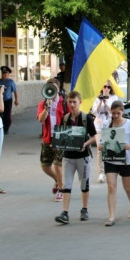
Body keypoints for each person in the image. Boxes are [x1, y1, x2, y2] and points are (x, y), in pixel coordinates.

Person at [54, 91, 98, 225]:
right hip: (68, 157)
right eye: (70, 102)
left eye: (74, 102)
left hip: (82, 157)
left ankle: (84, 209)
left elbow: (94, 136)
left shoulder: (86, 118)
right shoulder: (65, 118)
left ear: (80, 102)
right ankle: (65, 212)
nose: (72, 104)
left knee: (84, 183)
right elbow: (62, 135)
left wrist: (85, 144)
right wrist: (57, 143)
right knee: (66, 184)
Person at [97, 101, 130, 226]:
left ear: (122, 112)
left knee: (127, 187)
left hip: (125, 159)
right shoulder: (107, 124)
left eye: (118, 113)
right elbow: (102, 140)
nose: (115, 116)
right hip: (110, 159)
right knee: (111, 186)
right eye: (113, 113)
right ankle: (111, 216)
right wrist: (101, 145)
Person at [37, 78, 65, 201]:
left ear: (58, 89)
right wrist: (46, 109)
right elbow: (40, 119)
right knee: (45, 166)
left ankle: (61, 190)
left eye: (54, 88)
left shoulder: (64, 103)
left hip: (61, 138)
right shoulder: (43, 104)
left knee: (57, 165)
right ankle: (58, 180)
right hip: (48, 138)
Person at [91, 81, 119, 183]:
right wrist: (100, 101)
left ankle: (110, 171)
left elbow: (114, 112)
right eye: (104, 86)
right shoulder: (97, 97)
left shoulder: (114, 98)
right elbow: (94, 112)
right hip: (99, 125)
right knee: (100, 148)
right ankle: (101, 172)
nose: (106, 88)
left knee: (109, 149)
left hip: (110, 125)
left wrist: (106, 102)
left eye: (108, 87)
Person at [0, 66, 18, 135]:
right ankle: (1, 127)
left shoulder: (11, 82)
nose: (4, 75)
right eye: (3, 73)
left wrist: (16, 100)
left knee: (7, 115)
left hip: (8, 100)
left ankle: (6, 128)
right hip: (0, 100)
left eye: (5, 74)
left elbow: (15, 91)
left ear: (8, 74)